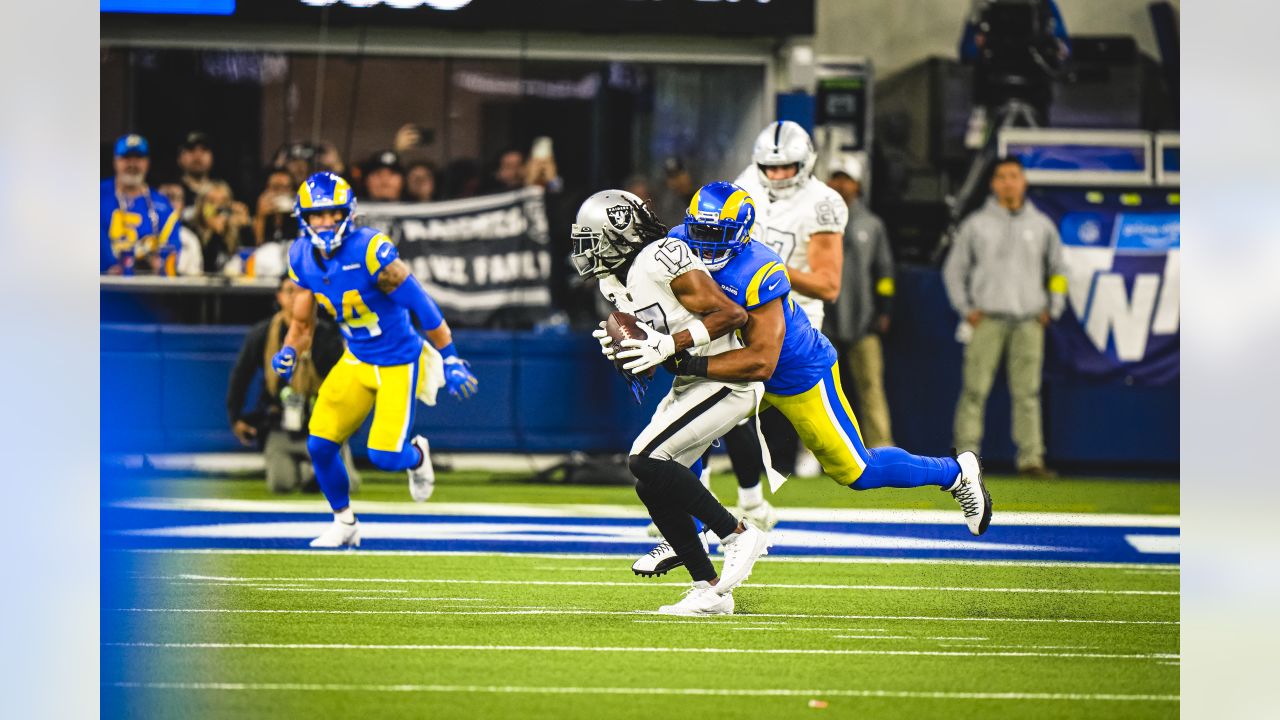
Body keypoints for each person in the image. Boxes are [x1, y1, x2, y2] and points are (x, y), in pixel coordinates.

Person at [659, 182, 990, 548]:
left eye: (714, 233)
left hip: (792, 370)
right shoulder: (677, 244)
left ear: (740, 234)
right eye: (698, 230)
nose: (703, 242)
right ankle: (690, 534)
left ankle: (956, 473)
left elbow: (761, 364)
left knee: (857, 470)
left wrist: (690, 362)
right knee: (680, 437)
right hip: (735, 361)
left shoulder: (759, 269)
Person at [573, 189, 771, 615]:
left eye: (594, 239)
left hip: (727, 378)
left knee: (645, 459)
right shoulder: (612, 281)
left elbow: (732, 316)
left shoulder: (661, 255)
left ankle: (736, 533)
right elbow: (655, 352)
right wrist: (625, 352)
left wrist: (668, 343)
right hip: (691, 380)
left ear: (621, 233)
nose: (587, 251)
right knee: (652, 480)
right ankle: (710, 589)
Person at [272, 171, 481, 548]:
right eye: (317, 215)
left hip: (398, 359)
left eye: (332, 213)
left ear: (347, 214)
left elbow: (423, 307)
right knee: (319, 445)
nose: (325, 222)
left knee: (384, 455)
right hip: (356, 358)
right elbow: (302, 321)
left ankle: (417, 457)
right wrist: (289, 350)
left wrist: (450, 357)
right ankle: (345, 522)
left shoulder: (369, 250)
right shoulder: (301, 256)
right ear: (303, 217)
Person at [733, 121, 849, 480]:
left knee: (846, 462)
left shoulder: (823, 203)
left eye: (787, 167)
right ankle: (741, 502)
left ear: (806, 162)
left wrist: (770, 271)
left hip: (794, 321)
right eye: (771, 167)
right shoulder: (746, 183)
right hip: (744, 315)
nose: (779, 175)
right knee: (722, 408)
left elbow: (828, 285)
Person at [943, 156, 1067, 478]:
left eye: (1014, 176)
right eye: (1002, 177)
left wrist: (1052, 307)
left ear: (1023, 181)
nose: (1008, 182)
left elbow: (1059, 271)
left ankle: (1031, 459)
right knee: (974, 391)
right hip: (987, 320)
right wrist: (966, 308)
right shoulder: (976, 224)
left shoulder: (1041, 226)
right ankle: (966, 461)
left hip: (1028, 320)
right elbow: (954, 271)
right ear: (993, 184)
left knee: (1028, 393)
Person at [227, 275, 361, 493]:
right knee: (281, 483)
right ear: (279, 296)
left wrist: (348, 422)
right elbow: (241, 375)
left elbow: (348, 383)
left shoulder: (328, 336)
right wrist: (236, 417)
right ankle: (308, 472)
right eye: (290, 291)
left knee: (344, 485)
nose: (296, 298)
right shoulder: (263, 333)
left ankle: (319, 471)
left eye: (302, 292)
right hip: (281, 426)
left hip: (320, 426)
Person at [825, 155, 896, 448]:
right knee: (819, 388)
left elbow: (885, 272)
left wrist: (885, 309)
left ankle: (881, 447)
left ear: (858, 185)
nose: (841, 185)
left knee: (871, 387)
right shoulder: (815, 219)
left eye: (847, 179)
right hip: (823, 321)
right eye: (836, 178)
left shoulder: (872, 224)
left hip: (863, 319)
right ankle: (817, 450)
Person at [100, 133, 183, 275]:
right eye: (126, 158)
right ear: (115, 161)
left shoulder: (163, 206)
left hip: (148, 292)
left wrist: (160, 264)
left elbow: (171, 251)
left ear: (147, 162)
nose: (132, 164)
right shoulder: (97, 195)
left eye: (138, 158)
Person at [181, 181, 254, 274]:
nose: (217, 207)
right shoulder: (191, 230)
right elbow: (206, 268)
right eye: (211, 201)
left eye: (223, 202)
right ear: (201, 205)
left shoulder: (235, 229)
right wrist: (215, 233)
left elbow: (250, 259)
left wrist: (246, 227)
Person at [176, 131, 216, 218]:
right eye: (191, 149)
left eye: (204, 149)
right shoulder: (172, 192)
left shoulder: (222, 192)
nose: (198, 155)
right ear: (179, 158)